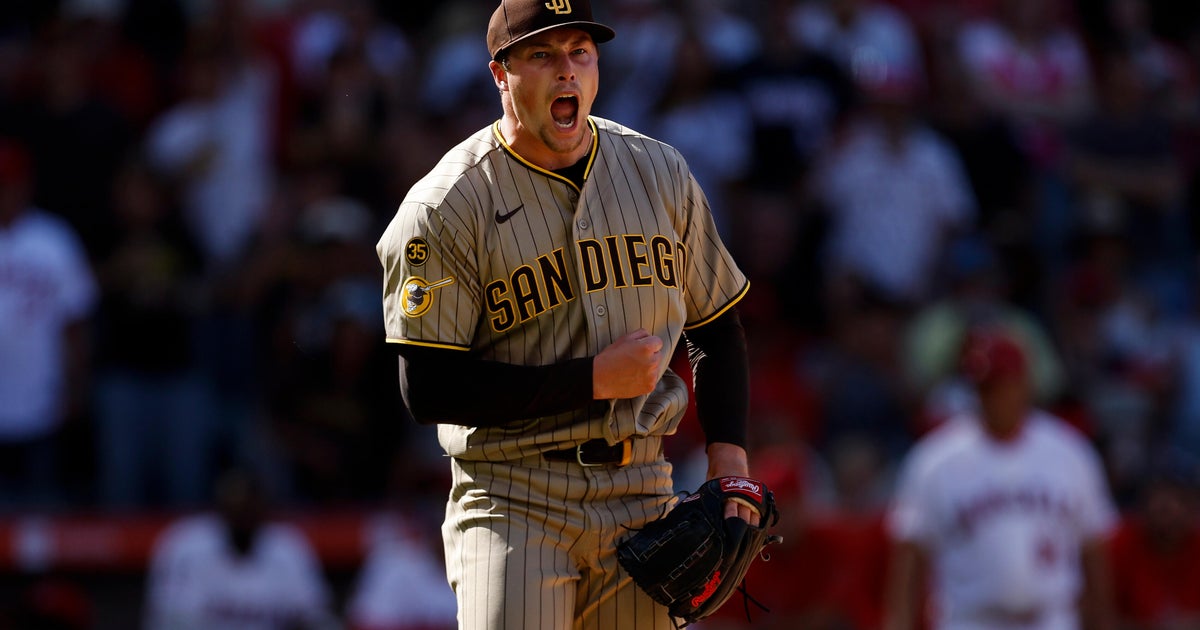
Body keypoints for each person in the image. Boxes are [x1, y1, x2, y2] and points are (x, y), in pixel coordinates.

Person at [374, 1, 756, 628]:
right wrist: (592, 381)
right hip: (512, 494)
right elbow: (429, 387)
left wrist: (729, 457)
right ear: (501, 73)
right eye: (542, 55)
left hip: (642, 492)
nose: (566, 72)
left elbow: (716, 327)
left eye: (580, 52)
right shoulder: (445, 206)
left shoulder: (659, 172)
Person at [884, 328, 1118, 630]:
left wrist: (1102, 621)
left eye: (1003, 384)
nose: (994, 397)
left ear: (1025, 384)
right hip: (970, 621)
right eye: (986, 387)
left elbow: (1092, 547)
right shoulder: (935, 459)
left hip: (1051, 618)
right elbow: (911, 552)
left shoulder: (1070, 452)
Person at [0, 138, 98, 509]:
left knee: (42, 515)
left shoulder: (55, 239)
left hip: (42, 402)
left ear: (26, 185)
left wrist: (76, 388)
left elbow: (77, 321)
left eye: (9, 184)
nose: (4, 193)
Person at [142, 468, 338, 630]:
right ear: (221, 509)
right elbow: (170, 622)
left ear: (263, 508)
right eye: (235, 507)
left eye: (249, 507)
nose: (243, 516)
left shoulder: (288, 547)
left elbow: (317, 619)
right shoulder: (186, 545)